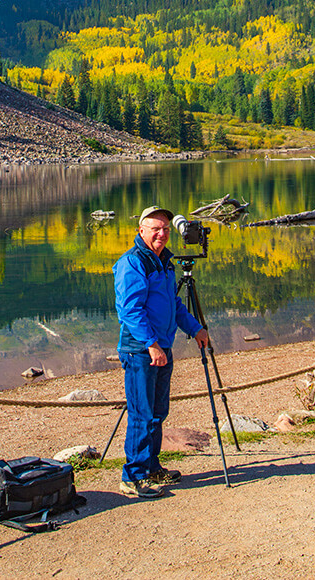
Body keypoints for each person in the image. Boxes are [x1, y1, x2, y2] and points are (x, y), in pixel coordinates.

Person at [113, 205, 209, 498]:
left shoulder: (164, 262)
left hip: (161, 346)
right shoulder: (133, 263)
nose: (162, 234)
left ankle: (152, 467)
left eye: (165, 229)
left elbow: (175, 305)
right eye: (155, 228)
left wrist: (195, 328)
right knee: (141, 414)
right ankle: (133, 477)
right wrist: (152, 345)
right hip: (141, 350)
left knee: (157, 413)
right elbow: (130, 310)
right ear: (141, 230)